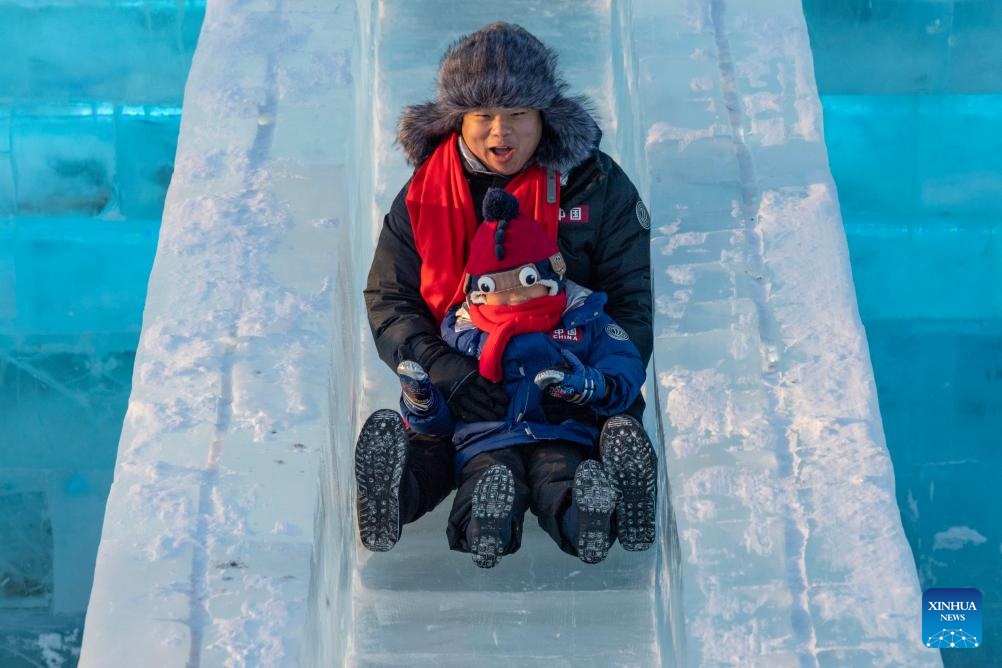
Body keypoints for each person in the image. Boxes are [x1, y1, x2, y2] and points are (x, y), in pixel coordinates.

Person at [359, 21, 653, 554]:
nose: (501, 134)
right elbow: (391, 299)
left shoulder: (597, 184)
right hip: (465, 370)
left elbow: (631, 300)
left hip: (574, 376)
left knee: (568, 463)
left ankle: (609, 495)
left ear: (545, 117)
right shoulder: (426, 194)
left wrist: (601, 383)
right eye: (484, 117)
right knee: (447, 448)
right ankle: (394, 496)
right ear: (458, 120)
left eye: (518, 115)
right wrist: (446, 369)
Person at [361, 190, 654, 567]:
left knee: (562, 477)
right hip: (487, 436)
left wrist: (589, 386)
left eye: (525, 279)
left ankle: (589, 522)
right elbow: (443, 416)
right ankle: (484, 528)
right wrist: (423, 401)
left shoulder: (584, 319)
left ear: (551, 274)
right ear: (476, 291)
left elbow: (623, 360)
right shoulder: (463, 337)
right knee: (490, 477)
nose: (512, 296)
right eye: (493, 286)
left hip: (561, 430)